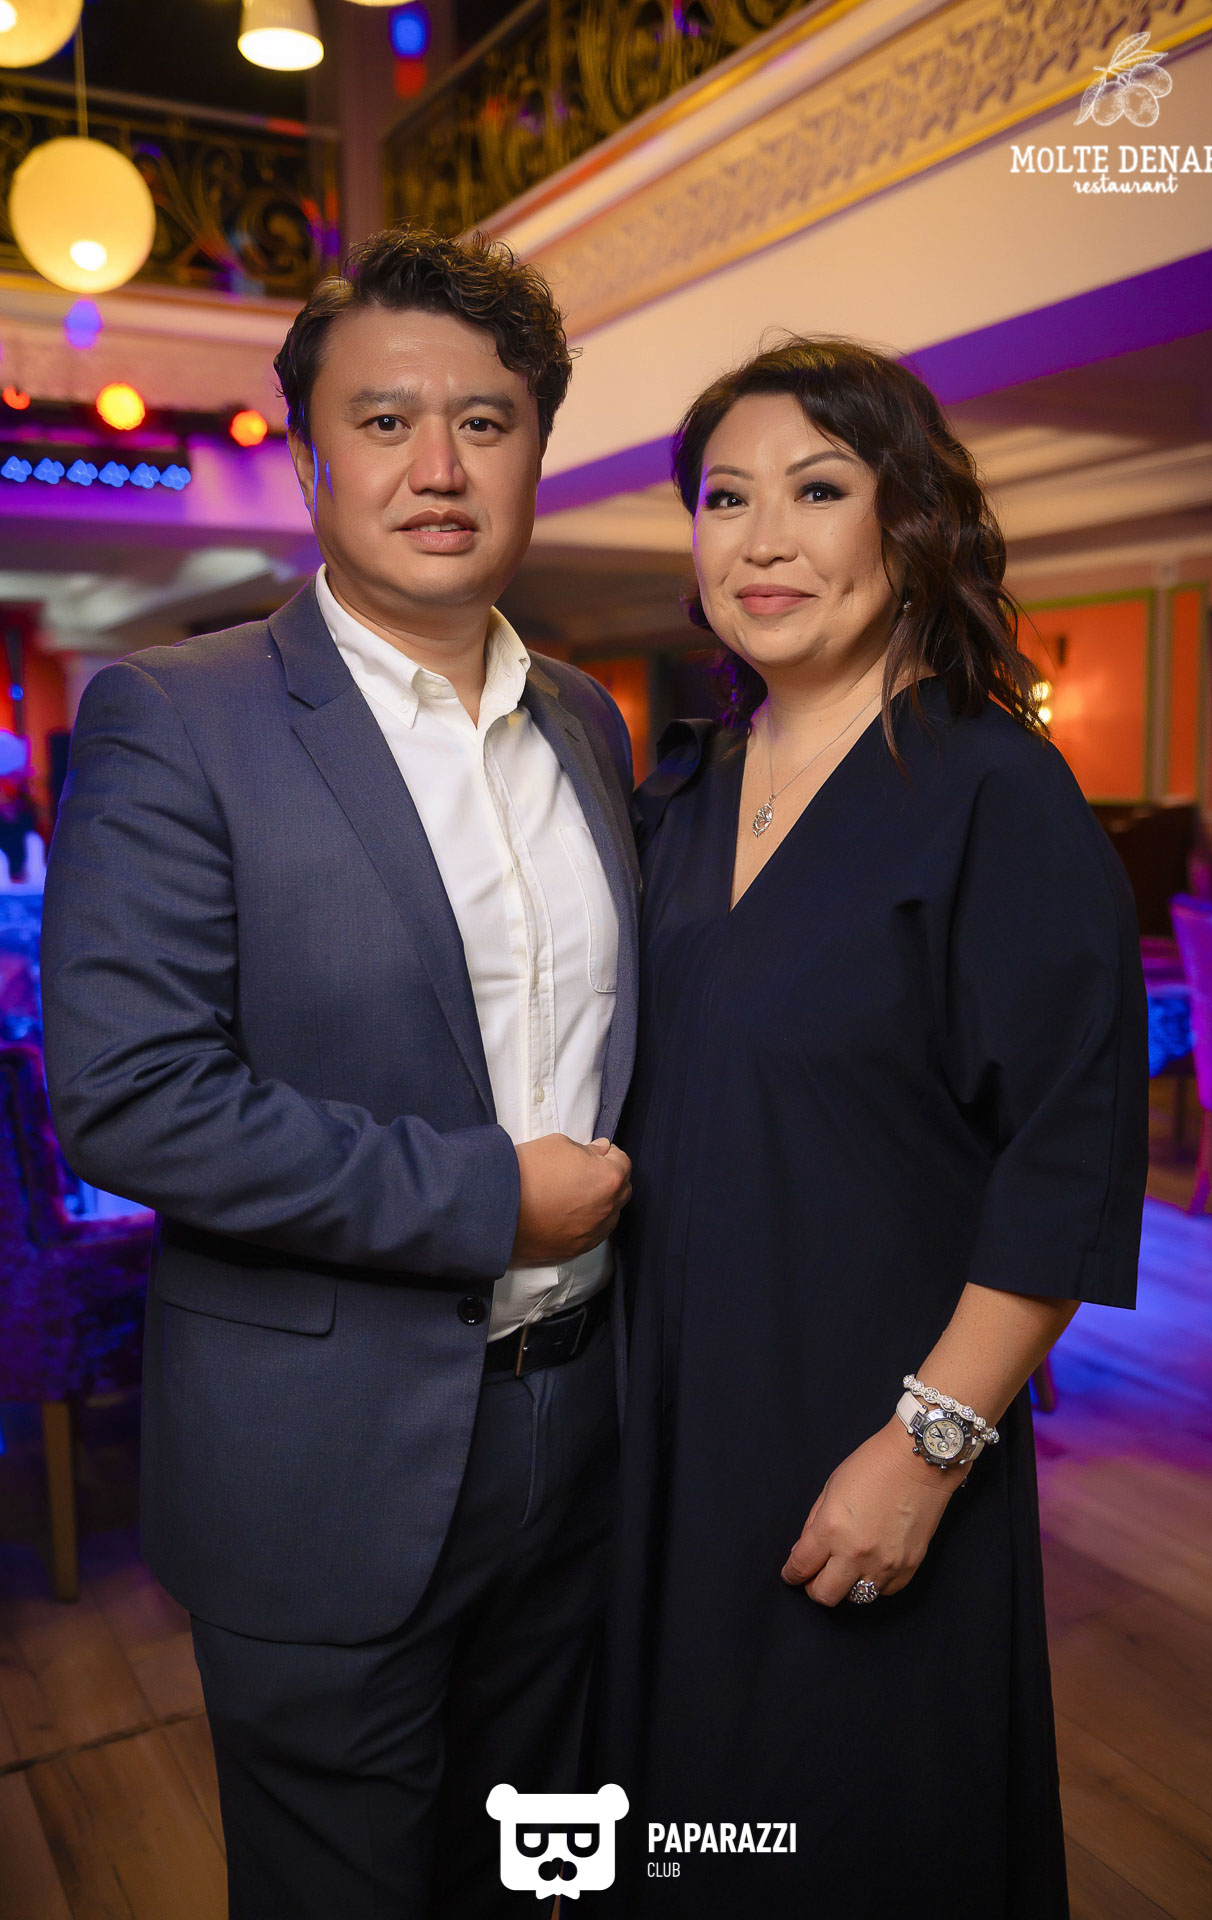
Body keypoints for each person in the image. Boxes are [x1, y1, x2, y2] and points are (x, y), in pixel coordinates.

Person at [41, 228, 638, 1920]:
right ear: (309, 462)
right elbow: (134, 1093)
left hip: (584, 1421)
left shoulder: (589, 721)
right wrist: (488, 1200)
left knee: (546, 1877)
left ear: (535, 451)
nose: (437, 466)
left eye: (484, 421)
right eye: (383, 422)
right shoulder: (179, 715)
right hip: (322, 1454)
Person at [595, 337, 1148, 1917]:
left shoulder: (993, 791)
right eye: (724, 499)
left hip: (865, 1414)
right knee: (687, 1836)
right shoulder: (683, 794)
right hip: (669, 1417)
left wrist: (923, 1450)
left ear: (908, 524)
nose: (762, 541)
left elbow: (1063, 1153)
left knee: (849, 1836)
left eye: (817, 491)